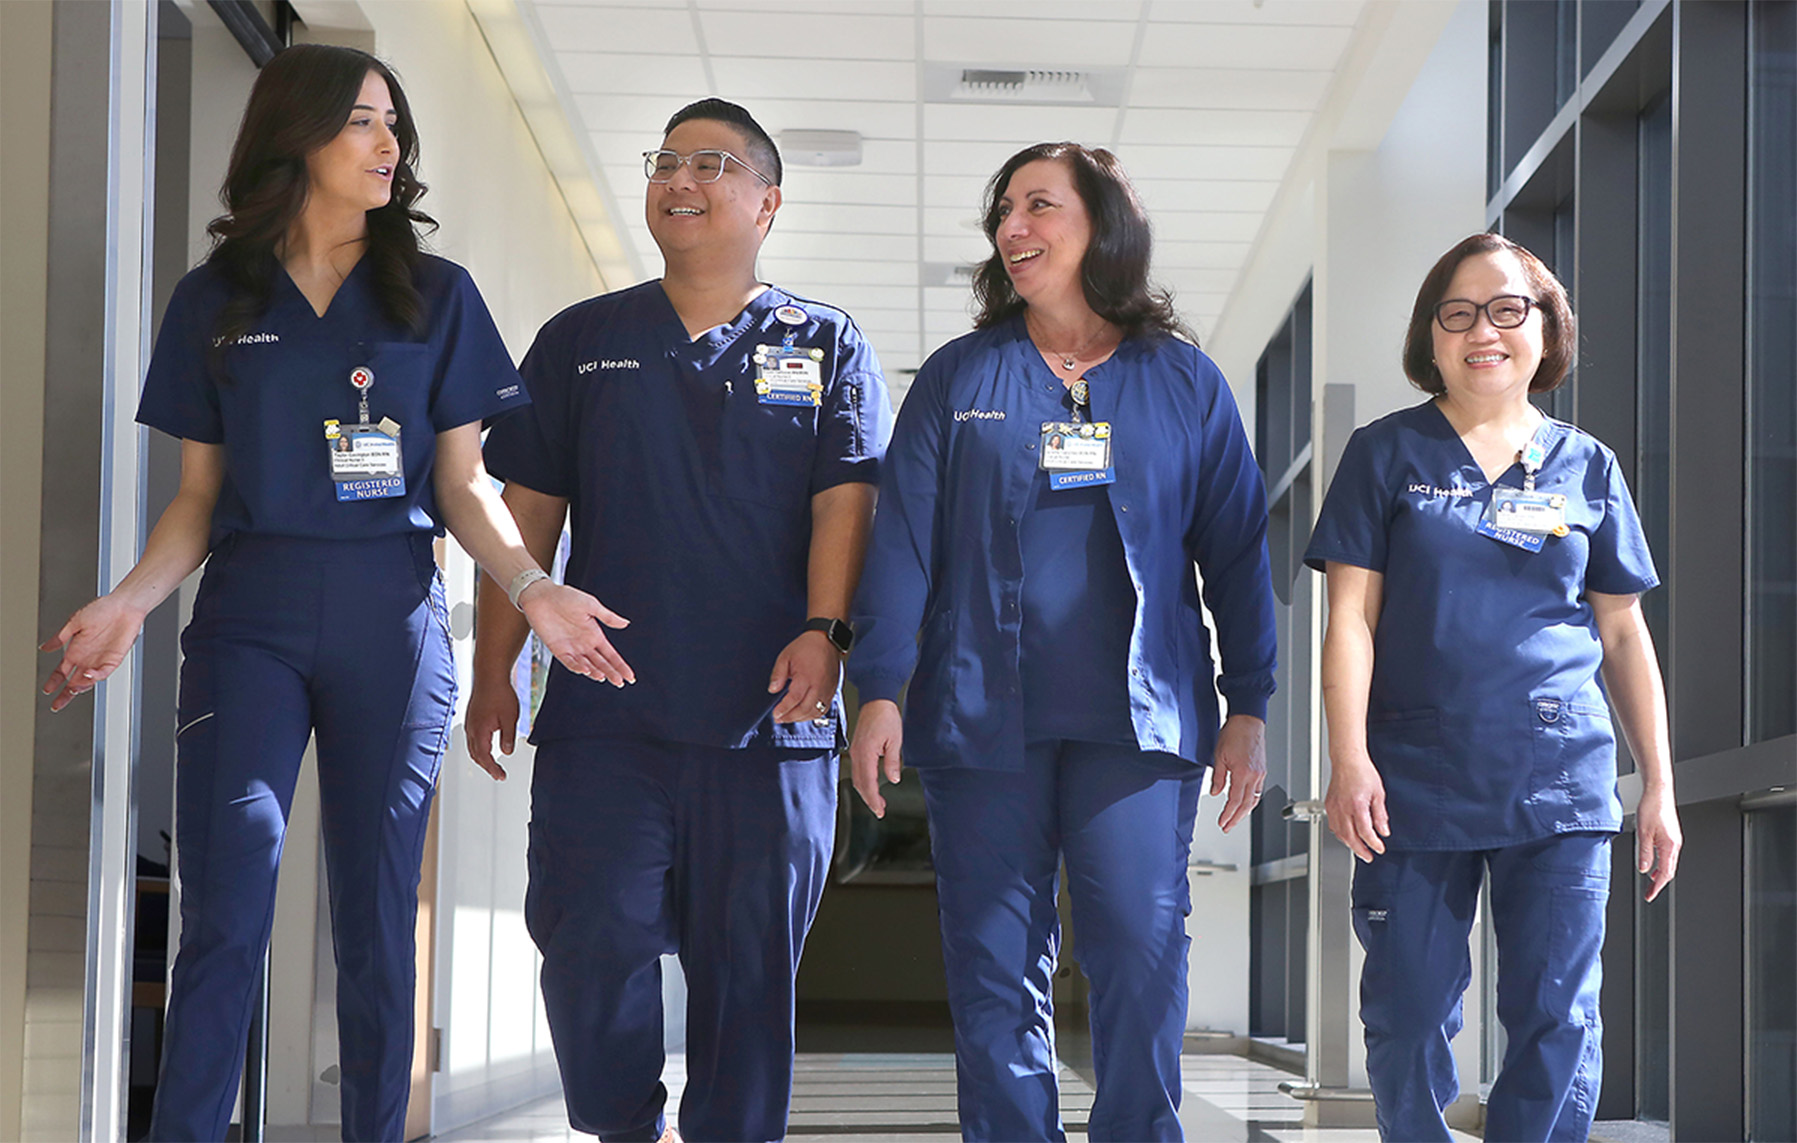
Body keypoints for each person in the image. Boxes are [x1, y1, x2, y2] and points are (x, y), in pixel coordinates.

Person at [37, 45, 620, 1142]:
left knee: (374, 918)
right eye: (364, 122)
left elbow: (461, 483)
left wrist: (535, 586)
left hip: (390, 620)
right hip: (249, 618)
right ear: (296, 135)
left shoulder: (436, 294)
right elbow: (198, 498)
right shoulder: (216, 299)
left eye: (396, 125)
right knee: (227, 900)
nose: (390, 146)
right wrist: (124, 605)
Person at [464, 99, 891, 1143]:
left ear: (768, 201)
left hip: (770, 722)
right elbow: (524, 522)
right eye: (665, 161)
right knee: (585, 939)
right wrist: (493, 672)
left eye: (712, 162)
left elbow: (849, 501)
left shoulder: (825, 340)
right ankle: (623, 1128)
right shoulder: (581, 341)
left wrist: (828, 631)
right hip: (610, 716)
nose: (680, 179)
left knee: (749, 980)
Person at [846, 142, 1276, 1143]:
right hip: (980, 722)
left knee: (1139, 956)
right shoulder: (961, 377)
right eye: (1004, 209)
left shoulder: (1184, 382)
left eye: (1039, 204)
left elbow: (1239, 551)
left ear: (1102, 226)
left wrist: (1250, 702)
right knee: (995, 971)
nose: (1012, 227)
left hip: (1138, 725)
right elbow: (903, 539)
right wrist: (877, 686)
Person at [1303, 232, 1683, 1141]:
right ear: (1430, 337)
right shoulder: (1384, 453)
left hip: (1558, 775)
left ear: (1545, 329)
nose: (1484, 329)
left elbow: (1623, 632)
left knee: (1556, 1017)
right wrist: (1346, 757)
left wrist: (1658, 785)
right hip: (1410, 777)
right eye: (1459, 312)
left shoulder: (1586, 466)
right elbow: (1349, 619)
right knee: (1402, 1013)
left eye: (1508, 309)